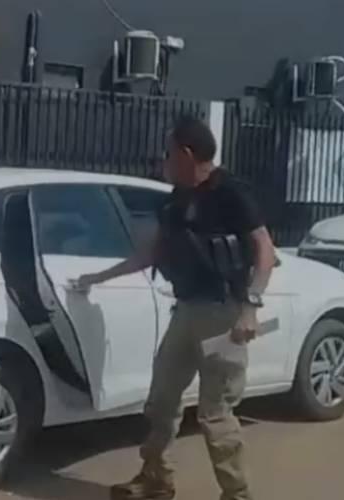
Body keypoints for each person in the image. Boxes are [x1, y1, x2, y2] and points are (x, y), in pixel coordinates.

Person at [71, 116, 276, 500]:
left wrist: (251, 306)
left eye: (168, 153)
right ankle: (156, 479)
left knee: (215, 412)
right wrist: (98, 277)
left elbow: (265, 249)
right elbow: (152, 252)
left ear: (186, 153)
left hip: (223, 315)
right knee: (162, 401)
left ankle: (237, 493)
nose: (162, 160)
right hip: (185, 312)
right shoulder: (175, 200)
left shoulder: (231, 193)